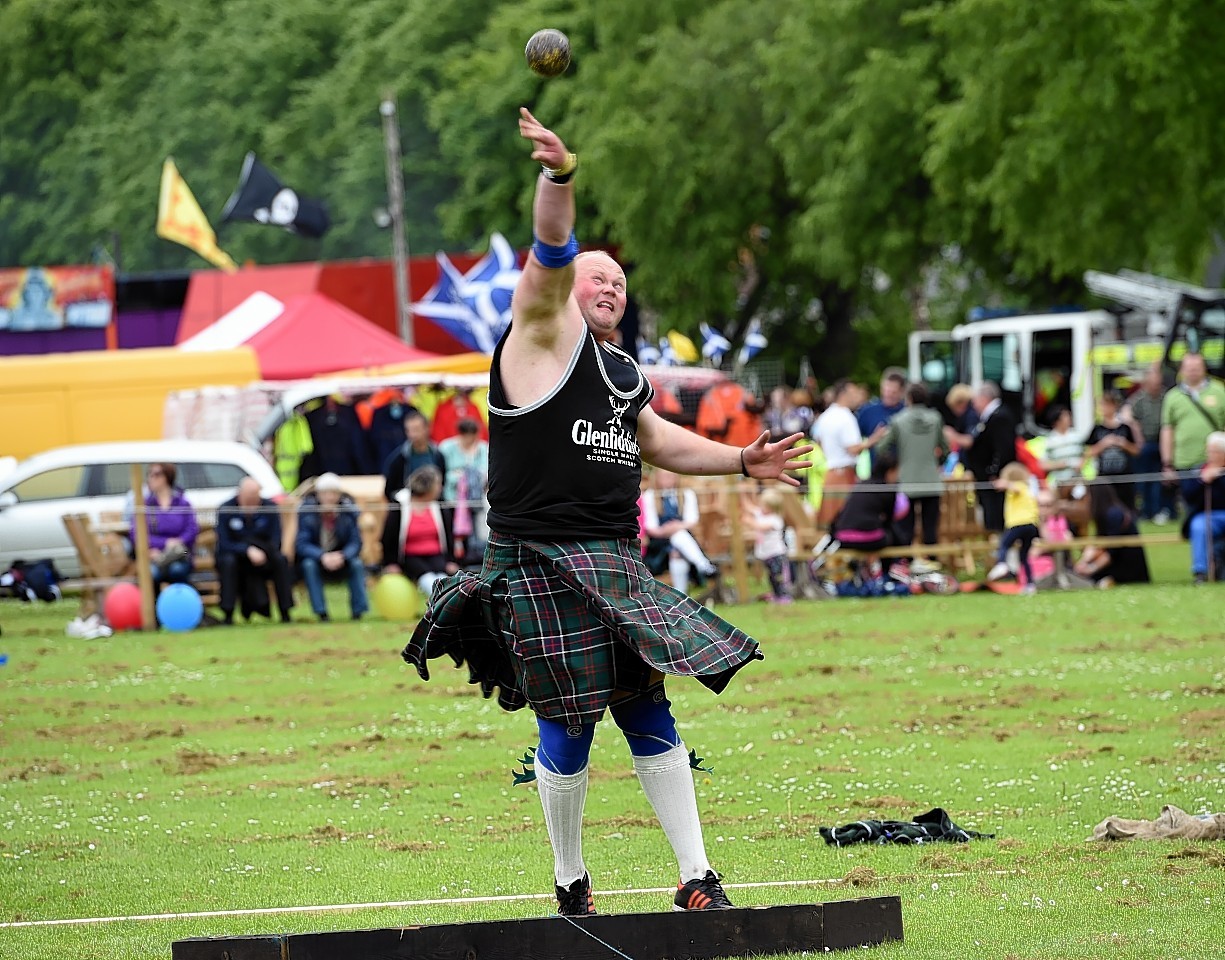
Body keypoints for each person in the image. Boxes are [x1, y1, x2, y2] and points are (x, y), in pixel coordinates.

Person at [401, 107, 810, 918]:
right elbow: (551, 249)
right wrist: (558, 176)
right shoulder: (538, 337)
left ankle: (696, 877)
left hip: (612, 560)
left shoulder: (621, 372)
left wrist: (740, 460)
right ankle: (569, 882)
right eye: (596, 275)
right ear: (563, 290)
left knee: (647, 703)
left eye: (618, 280)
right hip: (540, 559)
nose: (609, 284)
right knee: (570, 722)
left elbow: (660, 441)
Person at [880, 383, 948, 569]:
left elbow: (881, 447)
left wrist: (894, 465)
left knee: (906, 529)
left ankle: (907, 564)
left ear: (908, 399)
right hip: (932, 481)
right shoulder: (935, 418)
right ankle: (933, 564)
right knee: (930, 528)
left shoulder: (898, 420)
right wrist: (938, 463)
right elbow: (945, 448)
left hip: (907, 482)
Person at [216, 476, 295, 624]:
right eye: (248, 497)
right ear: (239, 494)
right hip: (237, 557)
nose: (252, 501)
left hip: (264, 555)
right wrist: (246, 549)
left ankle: (286, 612)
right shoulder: (226, 508)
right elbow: (224, 543)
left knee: (281, 560)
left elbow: (275, 539)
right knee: (228, 562)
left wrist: (261, 551)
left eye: (255, 496)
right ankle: (228, 614)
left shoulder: (269, 507)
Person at [295, 473, 368, 622]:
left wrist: (343, 556)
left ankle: (358, 611)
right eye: (326, 493)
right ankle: (321, 613)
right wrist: (322, 556)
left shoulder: (349, 512)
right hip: (318, 559)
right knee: (308, 565)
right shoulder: (306, 512)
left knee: (357, 564)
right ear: (318, 495)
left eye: (334, 493)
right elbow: (302, 544)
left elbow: (356, 542)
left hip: (342, 558)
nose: (330, 497)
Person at [812, 380, 886, 526]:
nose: (856, 397)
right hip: (844, 474)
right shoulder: (846, 417)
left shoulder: (826, 416)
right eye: (853, 393)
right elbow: (853, 449)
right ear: (843, 394)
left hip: (831, 473)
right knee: (844, 521)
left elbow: (818, 440)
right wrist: (874, 439)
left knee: (828, 521)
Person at [382, 410, 448, 570]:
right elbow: (389, 489)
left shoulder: (437, 455)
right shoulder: (399, 458)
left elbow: (444, 482)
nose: (412, 434)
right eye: (409, 430)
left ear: (426, 429)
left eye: (416, 429)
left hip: (433, 510)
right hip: (407, 511)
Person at [641, 469, 719, 595]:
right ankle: (703, 565)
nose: (668, 479)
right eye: (664, 476)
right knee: (678, 538)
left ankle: (680, 594)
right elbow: (651, 527)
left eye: (671, 476)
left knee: (677, 548)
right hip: (659, 543)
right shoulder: (650, 496)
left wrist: (676, 527)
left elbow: (692, 520)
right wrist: (668, 530)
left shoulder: (686, 493)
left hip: (684, 541)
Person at [385, 466, 460, 596]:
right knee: (427, 577)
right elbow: (388, 537)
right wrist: (390, 562)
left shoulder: (440, 506)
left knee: (442, 576)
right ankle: (441, 602)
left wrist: (451, 560)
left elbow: (449, 536)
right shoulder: (400, 506)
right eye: (437, 484)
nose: (440, 488)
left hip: (436, 554)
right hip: (410, 556)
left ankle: (446, 605)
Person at [1161, 353, 1225, 503]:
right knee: (1191, 505)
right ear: (1182, 370)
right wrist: (1167, 463)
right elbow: (1167, 430)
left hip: (1217, 462)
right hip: (1186, 462)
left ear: (1204, 368)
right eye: (1189, 368)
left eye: (1197, 367)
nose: (1193, 371)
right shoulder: (1172, 397)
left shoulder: (1220, 390)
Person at [131, 462, 198, 589]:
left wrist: (178, 542)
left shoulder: (182, 503)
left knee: (177, 570)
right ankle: (154, 607)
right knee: (151, 572)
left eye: (156, 474)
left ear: (167, 477)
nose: (151, 478)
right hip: (153, 553)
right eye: (149, 474)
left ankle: (181, 605)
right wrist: (165, 543)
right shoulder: (145, 505)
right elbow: (137, 534)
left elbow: (192, 530)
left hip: (181, 552)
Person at [1073, 483, 1151, 587]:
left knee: (1090, 578)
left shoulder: (1113, 515)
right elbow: (1099, 545)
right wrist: (1083, 562)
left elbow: (1111, 551)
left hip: (1127, 564)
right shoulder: (1107, 514)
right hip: (1118, 559)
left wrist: (1091, 569)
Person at [964, 382, 1018, 532]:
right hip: (987, 478)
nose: (974, 405)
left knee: (996, 516)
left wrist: (994, 471)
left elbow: (1003, 448)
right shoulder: (992, 417)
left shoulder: (1000, 416)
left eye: (975, 400)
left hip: (995, 480)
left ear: (984, 398)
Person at [438, 417, 490, 561]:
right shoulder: (446, 448)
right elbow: (443, 473)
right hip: (452, 499)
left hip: (477, 500)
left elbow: (486, 472)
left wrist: (469, 476)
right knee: (455, 531)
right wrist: (461, 478)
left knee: (478, 530)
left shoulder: (483, 448)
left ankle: (477, 557)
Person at [1126, 365, 1173, 523]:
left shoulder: (1167, 397)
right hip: (1146, 444)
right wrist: (1139, 439)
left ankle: (1164, 510)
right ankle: (1146, 511)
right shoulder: (1138, 399)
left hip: (1163, 444)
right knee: (1145, 480)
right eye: (1152, 383)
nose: (1155, 386)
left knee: (1163, 480)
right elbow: (1132, 420)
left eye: (1157, 382)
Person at [987, 463, 1041, 593]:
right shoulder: (1028, 490)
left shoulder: (1020, 487)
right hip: (1031, 526)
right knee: (1023, 555)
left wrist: (1005, 484)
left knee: (1004, 544)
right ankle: (1030, 583)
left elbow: (1015, 488)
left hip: (1019, 524)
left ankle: (1002, 564)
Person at [1181, 431, 1225, 584]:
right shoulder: (1199, 470)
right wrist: (1202, 481)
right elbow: (1188, 495)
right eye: (1209, 450)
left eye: (1214, 451)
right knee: (1199, 526)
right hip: (1208, 515)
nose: (1210, 454)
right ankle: (1201, 571)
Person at [1085, 390, 1140, 510]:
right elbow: (1088, 452)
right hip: (1105, 476)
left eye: (1106, 404)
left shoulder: (1125, 428)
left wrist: (1123, 444)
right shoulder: (1097, 429)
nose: (1103, 408)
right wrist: (1103, 444)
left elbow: (1136, 450)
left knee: (1127, 507)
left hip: (1124, 476)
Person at [742, 489, 791, 603]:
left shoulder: (775, 520)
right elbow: (749, 507)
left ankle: (784, 596)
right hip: (767, 554)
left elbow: (760, 526)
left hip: (776, 554)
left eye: (763, 505)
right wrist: (742, 493)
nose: (760, 507)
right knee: (771, 577)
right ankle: (776, 595)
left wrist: (749, 521)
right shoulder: (762, 514)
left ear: (771, 508)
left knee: (778, 577)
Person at [856, 368, 907, 464]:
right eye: (886, 390)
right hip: (876, 471)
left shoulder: (907, 412)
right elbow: (854, 444)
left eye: (893, 392)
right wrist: (874, 438)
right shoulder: (868, 411)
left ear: (902, 392)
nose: (888, 395)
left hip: (902, 469)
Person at [1038, 405, 1084, 487]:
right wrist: (1058, 465)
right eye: (1065, 417)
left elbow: (1085, 454)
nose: (1068, 419)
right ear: (1057, 421)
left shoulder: (1076, 436)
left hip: (1077, 480)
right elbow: (1042, 464)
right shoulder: (1049, 440)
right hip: (1059, 483)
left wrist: (1081, 463)